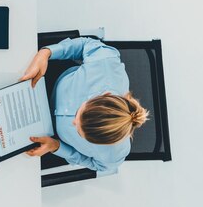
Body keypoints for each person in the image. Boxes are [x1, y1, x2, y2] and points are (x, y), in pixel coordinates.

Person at [20, 37, 148, 176]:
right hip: (46, 81)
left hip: (48, 135)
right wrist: (46, 53)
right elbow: (85, 44)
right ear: (105, 95)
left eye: (79, 133)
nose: (73, 122)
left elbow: (98, 166)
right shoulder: (106, 64)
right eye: (78, 115)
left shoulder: (113, 154)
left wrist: (56, 147)